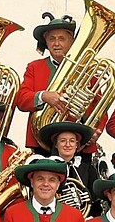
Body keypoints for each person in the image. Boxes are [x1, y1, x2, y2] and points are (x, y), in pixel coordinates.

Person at [15, 12, 94, 149]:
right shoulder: (34, 67)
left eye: (62, 39)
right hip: (41, 143)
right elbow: (21, 100)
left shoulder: (86, 68)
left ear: (72, 42)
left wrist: (94, 129)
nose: (56, 43)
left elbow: (99, 105)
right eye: (51, 39)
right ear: (46, 42)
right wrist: (44, 96)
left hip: (79, 143)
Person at [38, 121, 102, 215]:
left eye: (72, 141)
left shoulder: (89, 170)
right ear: (56, 144)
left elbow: (95, 203)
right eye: (63, 140)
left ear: (77, 145)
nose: (68, 145)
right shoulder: (45, 168)